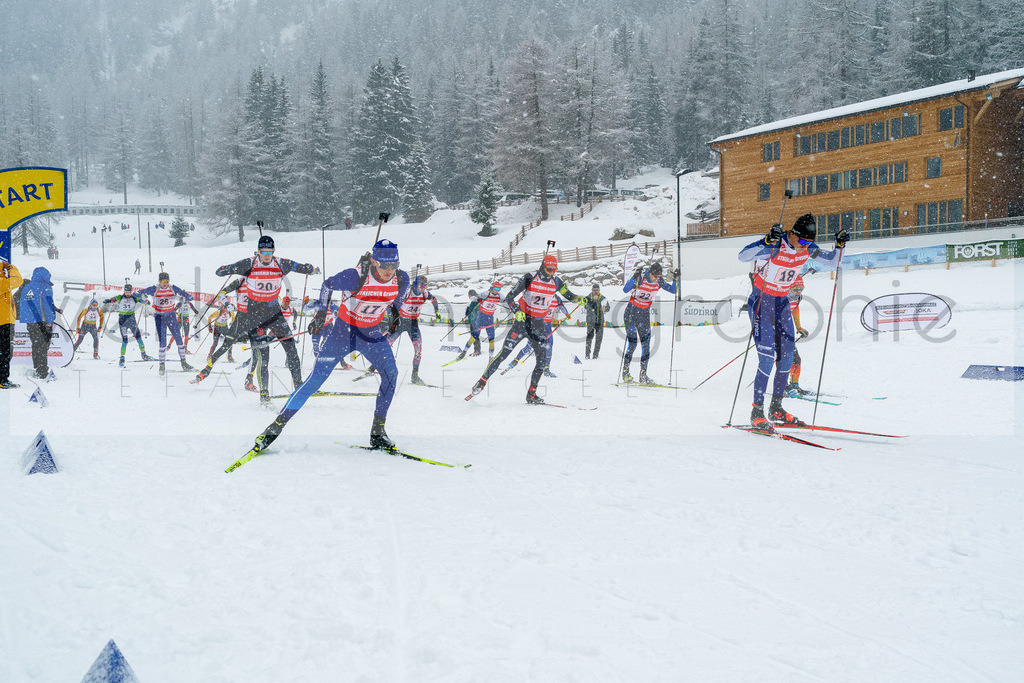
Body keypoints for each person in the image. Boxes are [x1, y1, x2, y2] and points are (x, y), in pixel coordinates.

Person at [248, 239, 411, 454]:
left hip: (370, 334)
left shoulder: (402, 278)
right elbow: (327, 285)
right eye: (384, 265)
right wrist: (321, 314)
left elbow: (398, 296)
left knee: (391, 374)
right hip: (343, 333)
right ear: (374, 261)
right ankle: (273, 429)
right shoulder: (355, 276)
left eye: (394, 265)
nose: (389, 271)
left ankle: (378, 433)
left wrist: (395, 313)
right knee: (315, 379)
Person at [738, 213, 847, 429]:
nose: (805, 246)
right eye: (803, 241)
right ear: (793, 234)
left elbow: (833, 261)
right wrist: (766, 241)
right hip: (761, 303)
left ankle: (776, 408)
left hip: (782, 304)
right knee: (767, 359)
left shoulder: (808, 248)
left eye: (809, 242)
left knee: (787, 359)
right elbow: (743, 256)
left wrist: (839, 245)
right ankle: (756, 411)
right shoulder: (776, 245)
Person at [192, 235, 320, 400]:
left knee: (291, 349)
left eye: (270, 251)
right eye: (263, 251)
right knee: (262, 357)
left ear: (274, 251)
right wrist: (226, 269)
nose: (267, 255)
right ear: (258, 251)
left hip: (274, 312)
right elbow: (222, 271)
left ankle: (298, 386)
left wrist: (309, 268)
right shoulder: (249, 264)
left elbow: (299, 267)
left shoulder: (281, 263)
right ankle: (264, 393)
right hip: (254, 314)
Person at [468, 254, 583, 404]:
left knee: (541, 361)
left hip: (538, 325)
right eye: (549, 269)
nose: (551, 273)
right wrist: (517, 310)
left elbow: (570, 295)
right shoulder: (529, 277)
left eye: (554, 270)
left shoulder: (556, 281)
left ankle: (531, 394)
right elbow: (509, 297)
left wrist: (581, 299)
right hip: (522, 323)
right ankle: (481, 382)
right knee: (504, 354)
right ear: (543, 266)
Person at [621, 262, 678, 385]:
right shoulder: (641, 278)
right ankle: (625, 372)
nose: (657, 279)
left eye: (659, 276)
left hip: (644, 315)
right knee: (632, 344)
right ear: (650, 273)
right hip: (631, 313)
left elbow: (673, 290)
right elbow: (625, 289)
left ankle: (643, 375)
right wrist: (633, 277)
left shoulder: (659, 281)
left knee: (646, 346)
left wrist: (675, 279)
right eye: (655, 276)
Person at [135, 273, 196, 376]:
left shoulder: (173, 288)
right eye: (163, 282)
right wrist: (141, 296)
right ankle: (162, 365)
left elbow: (184, 293)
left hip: (171, 315)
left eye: (166, 282)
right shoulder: (154, 289)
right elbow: (138, 292)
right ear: (159, 282)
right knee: (163, 342)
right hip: (159, 317)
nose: (165, 284)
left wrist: (188, 297)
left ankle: (184, 363)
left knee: (179, 340)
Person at [387, 274, 439, 385]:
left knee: (418, 350)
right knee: (386, 344)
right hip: (400, 321)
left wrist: (437, 311)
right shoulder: (407, 292)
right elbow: (392, 304)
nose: (423, 287)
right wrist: (392, 318)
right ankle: (373, 368)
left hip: (413, 323)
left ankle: (414, 376)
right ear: (415, 284)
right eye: (421, 285)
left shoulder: (425, 294)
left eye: (425, 285)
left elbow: (434, 299)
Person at [505, 294, 567, 377]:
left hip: (548, 325)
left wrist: (567, 314)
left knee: (549, 345)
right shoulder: (541, 294)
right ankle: (516, 360)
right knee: (529, 346)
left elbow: (561, 306)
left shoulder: (556, 298)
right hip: (538, 324)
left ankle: (546, 368)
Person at [18, 267, 62, 380]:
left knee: (36, 345)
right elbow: (48, 305)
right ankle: (43, 372)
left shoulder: (27, 287)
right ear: (45, 276)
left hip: (30, 322)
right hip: (42, 322)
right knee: (43, 346)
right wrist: (50, 320)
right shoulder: (45, 287)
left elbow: (22, 304)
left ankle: (37, 367)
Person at [104, 284, 153, 367]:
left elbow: (141, 300)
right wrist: (109, 300)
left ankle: (144, 354)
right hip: (123, 321)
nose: (128, 293)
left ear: (131, 292)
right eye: (126, 292)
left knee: (139, 338)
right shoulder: (120, 297)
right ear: (124, 291)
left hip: (132, 321)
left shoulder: (133, 298)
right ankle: (122, 358)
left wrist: (146, 302)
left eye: (129, 292)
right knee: (125, 341)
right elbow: (114, 299)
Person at [461, 281, 503, 359]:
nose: (497, 290)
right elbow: (473, 298)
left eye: (499, 289)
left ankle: (491, 358)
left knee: (492, 339)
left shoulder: (500, 296)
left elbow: (507, 300)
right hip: (480, 318)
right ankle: (463, 352)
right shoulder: (485, 294)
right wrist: (479, 299)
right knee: (474, 337)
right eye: (496, 288)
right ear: (493, 287)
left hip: (490, 319)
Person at [785, 275, 812, 397]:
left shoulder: (796, 298)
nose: (799, 291)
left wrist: (799, 327)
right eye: (796, 289)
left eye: (802, 288)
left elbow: (795, 310)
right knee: (784, 360)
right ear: (789, 287)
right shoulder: (781, 297)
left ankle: (794, 386)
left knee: (796, 360)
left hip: (787, 331)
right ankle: (782, 386)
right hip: (775, 331)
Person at [1, 258, 24, 389]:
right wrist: (10, 267)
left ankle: (3, 378)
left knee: (4, 352)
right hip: (3, 322)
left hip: (5, 321)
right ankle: (2, 379)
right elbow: (18, 280)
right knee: (4, 352)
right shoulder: (2, 282)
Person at [584, 283, 610, 359]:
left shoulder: (603, 298)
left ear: (599, 290)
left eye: (597, 290)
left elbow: (608, 308)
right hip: (590, 321)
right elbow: (586, 307)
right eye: (594, 290)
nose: (595, 292)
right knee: (589, 338)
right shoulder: (588, 298)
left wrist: (605, 309)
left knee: (599, 339)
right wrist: (594, 301)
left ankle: (595, 355)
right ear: (591, 290)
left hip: (600, 321)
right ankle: (587, 354)